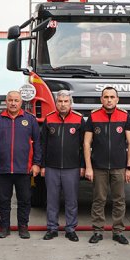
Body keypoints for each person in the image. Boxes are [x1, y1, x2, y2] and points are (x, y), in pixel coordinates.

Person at [0, 90, 42, 238]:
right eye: (10, 100)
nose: (13, 103)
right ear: (6, 102)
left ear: (21, 102)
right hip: (3, 169)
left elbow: (38, 144)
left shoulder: (30, 120)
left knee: (24, 200)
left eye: (16, 100)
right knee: (3, 200)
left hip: (24, 169)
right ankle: (4, 227)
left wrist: (36, 164)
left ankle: (23, 227)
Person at [84, 87, 130, 244]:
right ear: (101, 99)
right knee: (99, 199)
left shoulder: (125, 116)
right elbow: (86, 143)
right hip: (98, 166)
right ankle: (97, 231)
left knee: (119, 200)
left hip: (119, 167)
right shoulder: (93, 116)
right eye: (106, 97)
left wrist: (129, 166)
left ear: (117, 99)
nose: (109, 100)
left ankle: (118, 231)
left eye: (112, 97)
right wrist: (89, 167)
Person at [39, 90, 85, 241]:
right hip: (51, 167)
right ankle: (52, 228)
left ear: (70, 103)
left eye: (66, 101)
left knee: (71, 201)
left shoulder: (79, 119)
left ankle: (71, 229)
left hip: (72, 168)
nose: (63, 104)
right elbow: (43, 144)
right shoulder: (49, 118)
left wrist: (83, 165)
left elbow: (85, 145)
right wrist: (42, 165)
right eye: (60, 101)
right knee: (51, 200)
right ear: (56, 103)